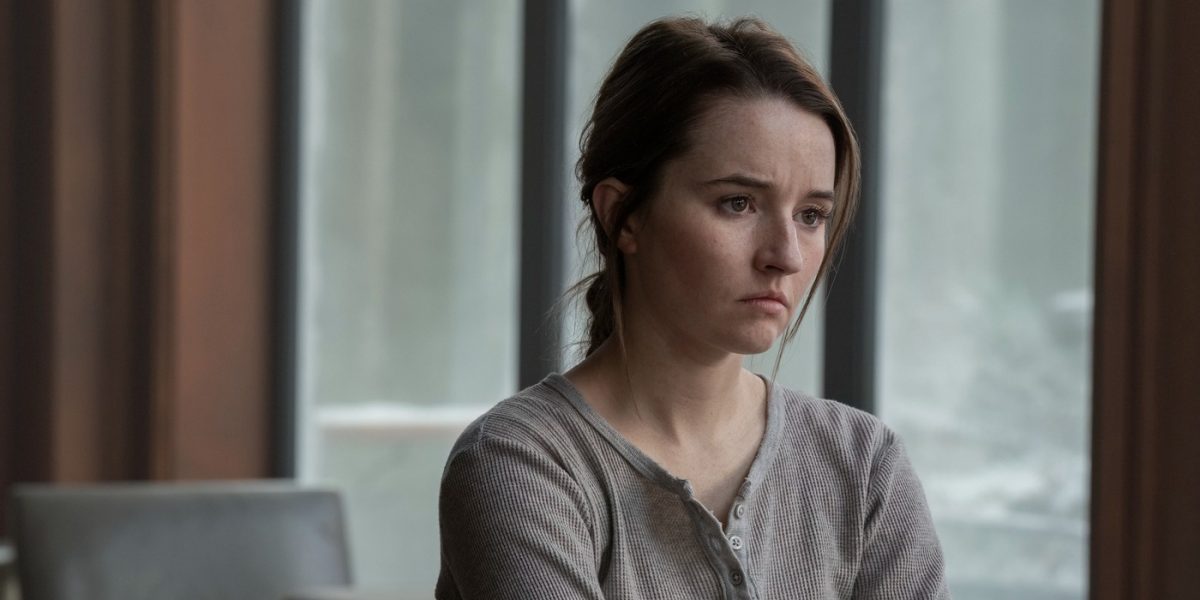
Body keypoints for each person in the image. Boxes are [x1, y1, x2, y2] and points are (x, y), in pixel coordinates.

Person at [436, 16, 948, 599]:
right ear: (622, 215)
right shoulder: (520, 464)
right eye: (738, 203)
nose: (785, 256)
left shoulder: (864, 466)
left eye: (811, 215)